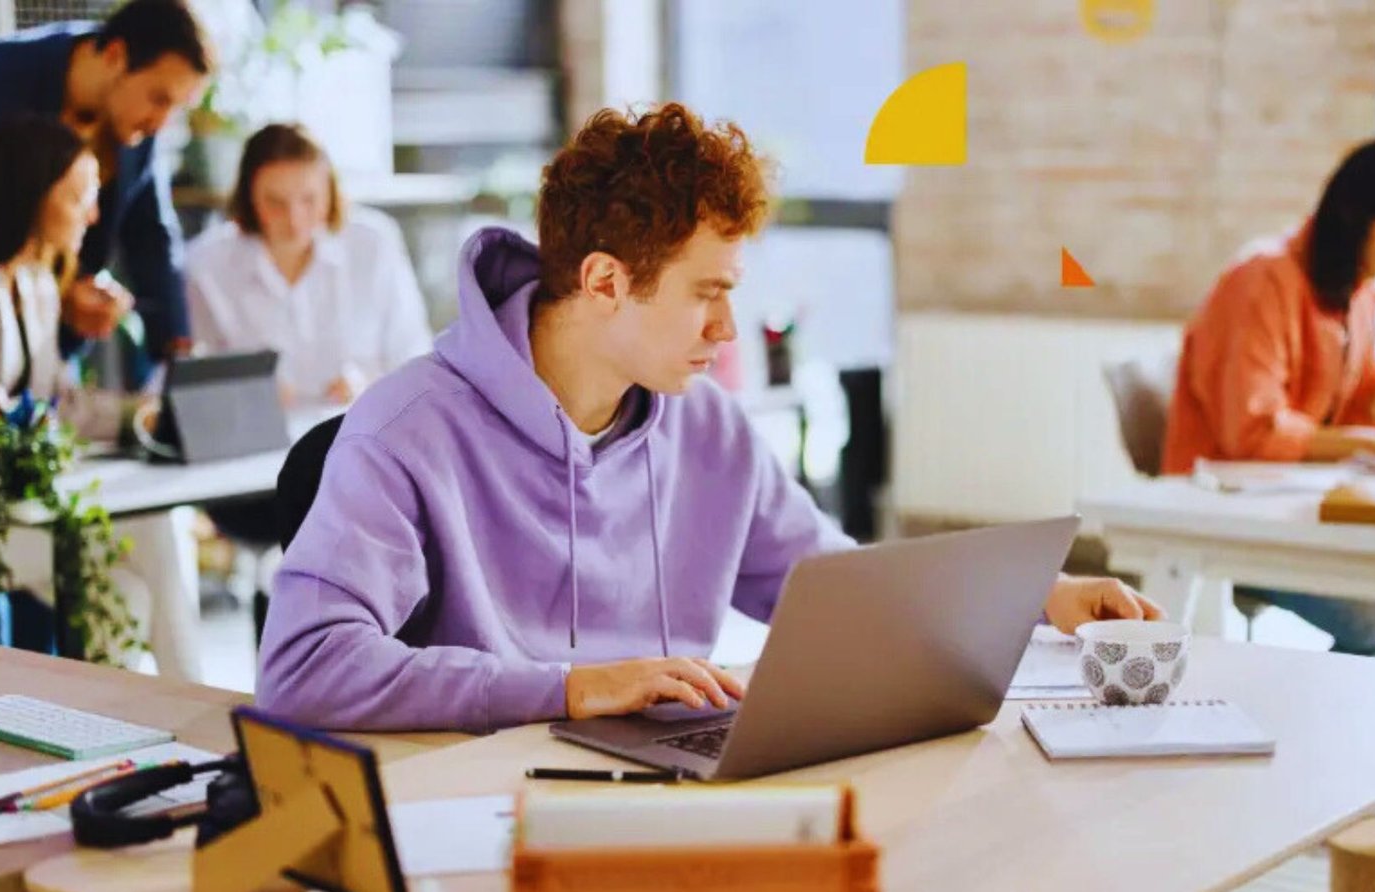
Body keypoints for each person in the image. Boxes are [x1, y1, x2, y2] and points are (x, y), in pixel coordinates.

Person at [257, 103, 1161, 733]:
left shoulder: (709, 428)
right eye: (707, 295)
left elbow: (834, 586)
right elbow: (303, 669)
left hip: (660, 797)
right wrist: (568, 690)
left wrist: (1035, 599)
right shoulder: (406, 430)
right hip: (483, 815)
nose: (728, 329)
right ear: (606, 282)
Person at [1163, 138, 1375, 660]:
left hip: (1294, 511)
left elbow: (1364, 411)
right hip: (1229, 519)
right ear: (1358, 218)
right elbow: (1253, 433)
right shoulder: (1263, 281)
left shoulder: (1356, 292)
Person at [0, 117, 202, 678]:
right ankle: (215, 727)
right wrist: (47, 432)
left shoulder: (37, 283)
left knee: (126, 591)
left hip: (21, 518)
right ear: (28, 195)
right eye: (79, 198)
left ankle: (134, 744)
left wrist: (142, 416)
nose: (93, 216)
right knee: (152, 525)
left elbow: (62, 404)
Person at [0, 0, 212, 367]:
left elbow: (151, 236)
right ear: (114, 56)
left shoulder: (139, 124)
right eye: (159, 99)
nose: (161, 124)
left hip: (50, 353)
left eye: (177, 108)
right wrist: (45, 290)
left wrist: (179, 353)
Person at [186, 123, 432, 408]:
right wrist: (246, 392)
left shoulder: (374, 244)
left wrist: (367, 386)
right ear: (249, 198)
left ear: (330, 192)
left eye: (309, 199)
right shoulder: (206, 264)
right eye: (275, 203)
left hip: (364, 429)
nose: (294, 220)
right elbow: (195, 378)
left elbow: (414, 355)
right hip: (258, 440)